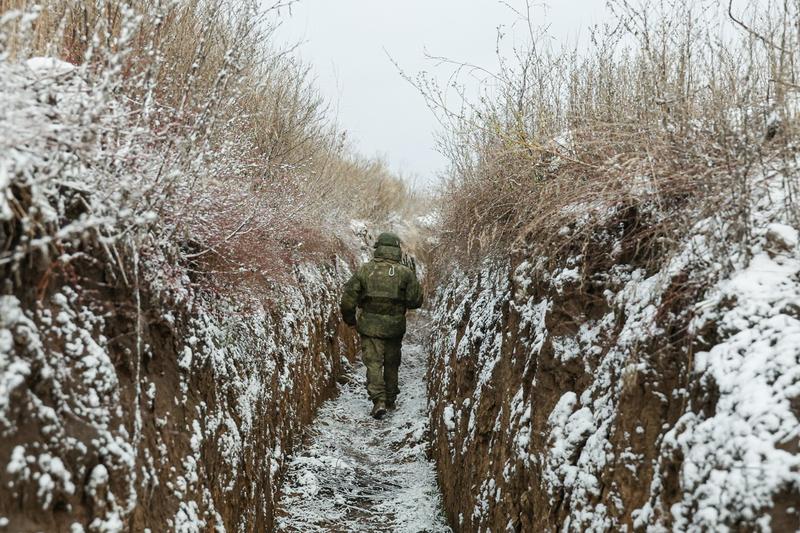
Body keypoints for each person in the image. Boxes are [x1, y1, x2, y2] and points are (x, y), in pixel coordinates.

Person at [340, 232, 423, 419]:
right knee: (392, 363)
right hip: (395, 326)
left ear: (377, 248)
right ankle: (391, 398)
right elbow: (415, 301)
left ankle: (378, 400)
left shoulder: (365, 270)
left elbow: (347, 300)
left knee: (373, 363)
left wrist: (350, 320)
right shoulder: (405, 273)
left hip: (369, 326)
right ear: (397, 250)